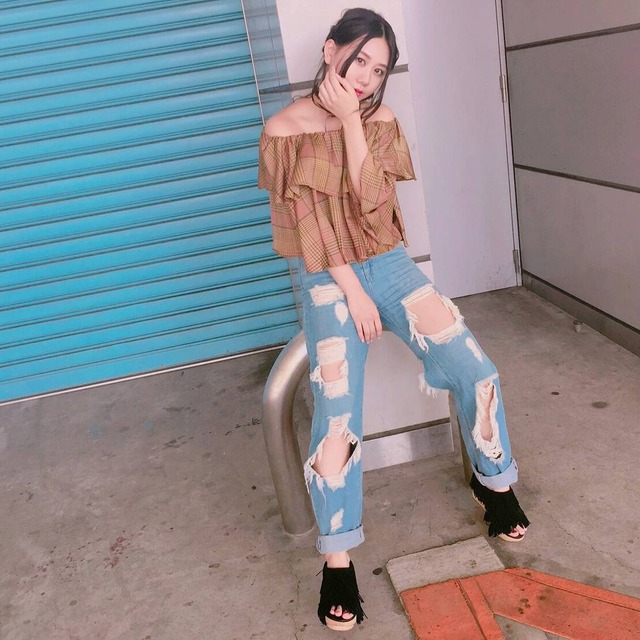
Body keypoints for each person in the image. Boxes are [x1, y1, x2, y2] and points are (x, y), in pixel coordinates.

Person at [258, 7, 530, 632]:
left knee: (477, 370)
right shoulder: (282, 130)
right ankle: (337, 561)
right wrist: (354, 294)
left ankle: (494, 484)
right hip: (330, 278)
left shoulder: (378, 121)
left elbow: (376, 209)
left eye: (379, 70)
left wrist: (353, 121)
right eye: (359, 61)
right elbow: (308, 229)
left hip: (389, 263)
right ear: (330, 50)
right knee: (337, 416)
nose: (366, 77)